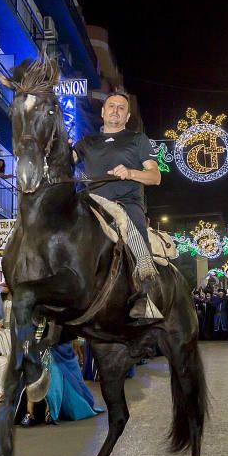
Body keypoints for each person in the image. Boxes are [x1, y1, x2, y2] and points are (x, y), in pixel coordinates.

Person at [73, 91, 162, 319]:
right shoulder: (86, 142)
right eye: (111, 106)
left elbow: (155, 176)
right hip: (92, 203)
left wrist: (131, 172)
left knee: (134, 232)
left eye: (121, 108)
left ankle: (143, 292)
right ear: (102, 112)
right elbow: (64, 161)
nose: (115, 110)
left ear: (128, 115)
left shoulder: (137, 139)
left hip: (125, 204)